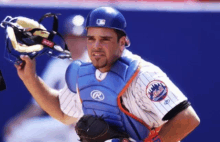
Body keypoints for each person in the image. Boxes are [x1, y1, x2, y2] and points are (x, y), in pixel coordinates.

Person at [14, 7, 200, 142]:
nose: (96, 46)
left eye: (105, 39)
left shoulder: (142, 74)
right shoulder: (84, 74)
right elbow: (63, 112)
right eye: (91, 39)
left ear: (122, 42)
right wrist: (30, 79)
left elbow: (187, 118)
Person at [3, 15, 89, 142]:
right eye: (71, 38)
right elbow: (39, 101)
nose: (75, 43)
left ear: (86, 40)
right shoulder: (57, 64)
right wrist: (21, 119)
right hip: (60, 119)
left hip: (87, 123)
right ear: (64, 40)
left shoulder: (96, 62)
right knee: (15, 133)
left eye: (79, 39)